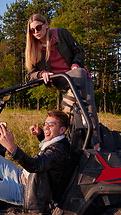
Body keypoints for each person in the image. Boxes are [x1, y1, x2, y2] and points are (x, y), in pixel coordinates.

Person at [25, 13, 100, 149]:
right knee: (73, 113)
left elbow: (79, 51)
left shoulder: (61, 34)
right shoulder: (33, 49)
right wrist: (41, 74)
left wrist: (76, 64)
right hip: (62, 81)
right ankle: (72, 145)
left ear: (46, 25)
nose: (36, 32)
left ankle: (96, 146)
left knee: (87, 109)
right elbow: (30, 74)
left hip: (80, 76)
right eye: (32, 30)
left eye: (38, 27)